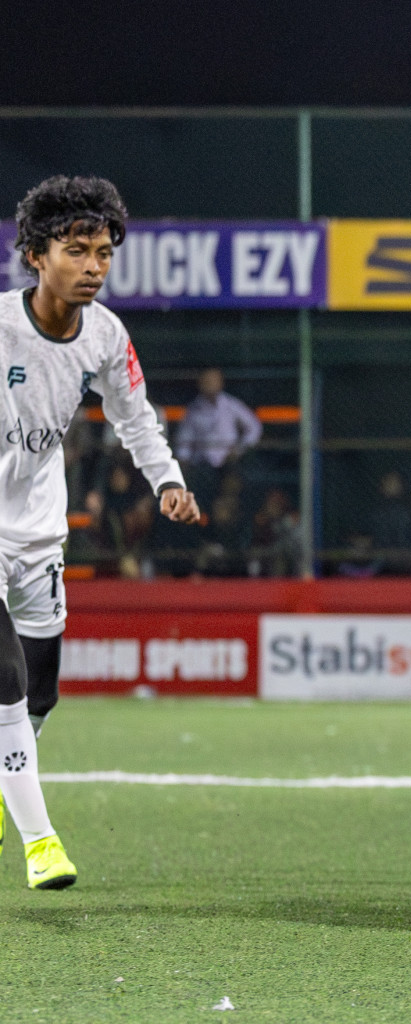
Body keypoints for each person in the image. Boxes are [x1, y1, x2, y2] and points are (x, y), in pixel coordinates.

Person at [2, 175, 201, 888]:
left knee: (41, 693)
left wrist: (169, 482)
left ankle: (5, 775)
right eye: (75, 250)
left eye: (103, 253)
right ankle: (40, 843)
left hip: (35, 536)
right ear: (34, 255)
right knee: (4, 681)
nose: (92, 266)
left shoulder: (107, 336)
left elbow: (136, 418)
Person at [173, 367, 262, 484]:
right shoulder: (193, 410)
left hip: (230, 462)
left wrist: (239, 449)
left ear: (221, 382)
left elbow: (254, 427)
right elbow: (184, 440)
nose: (209, 384)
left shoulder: (232, 405)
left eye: (213, 380)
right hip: (202, 465)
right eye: (206, 381)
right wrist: (183, 461)